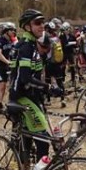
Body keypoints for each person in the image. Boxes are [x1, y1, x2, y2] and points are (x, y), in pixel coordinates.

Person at [8, 9, 62, 161]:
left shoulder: (32, 45)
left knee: (27, 136)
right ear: (27, 27)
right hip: (22, 97)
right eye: (37, 23)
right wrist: (48, 88)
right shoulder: (26, 47)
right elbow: (26, 78)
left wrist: (45, 90)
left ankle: (21, 167)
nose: (42, 26)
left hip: (31, 96)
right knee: (43, 140)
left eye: (42, 23)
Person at [0, 22, 16, 114]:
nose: (14, 32)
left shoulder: (11, 40)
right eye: (12, 30)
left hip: (6, 65)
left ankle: (6, 103)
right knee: (1, 86)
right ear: (6, 31)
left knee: (6, 85)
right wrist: (8, 62)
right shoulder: (0, 40)